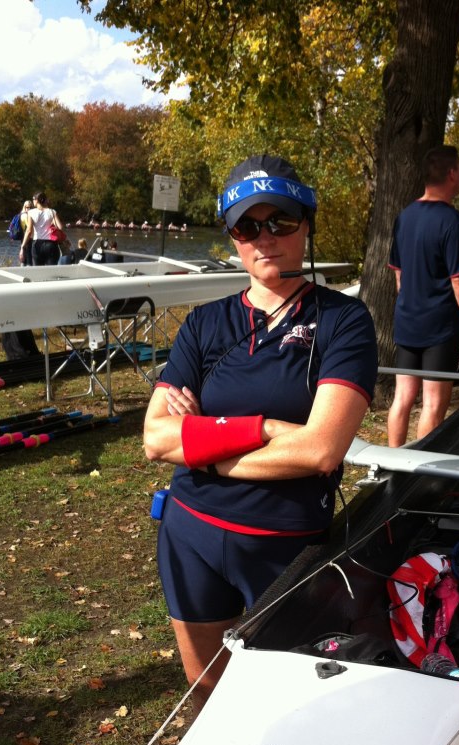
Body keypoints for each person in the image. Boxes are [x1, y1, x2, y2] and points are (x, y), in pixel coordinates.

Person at [143, 154, 377, 713]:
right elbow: (155, 437)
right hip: (191, 534)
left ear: (306, 225)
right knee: (208, 698)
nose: (264, 237)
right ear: (232, 236)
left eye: (281, 221)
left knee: (297, 704)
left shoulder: (343, 321)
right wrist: (270, 430)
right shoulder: (205, 323)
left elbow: (321, 449)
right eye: (248, 226)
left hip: (286, 544)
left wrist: (204, 446)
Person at [386, 145, 459, 446]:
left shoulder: (405, 216)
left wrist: (412, 303)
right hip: (439, 326)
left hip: (406, 321)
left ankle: (391, 467)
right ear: (452, 174)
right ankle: (419, 475)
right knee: (433, 403)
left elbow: (398, 274)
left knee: (402, 398)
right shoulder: (451, 220)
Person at [19, 192, 65, 266]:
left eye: (33, 199)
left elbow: (29, 231)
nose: (33, 201)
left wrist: (22, 247)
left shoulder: (31, 212)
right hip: (51, 244)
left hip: (37, 244)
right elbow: (60, 227)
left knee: (38, 270)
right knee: (51, 270)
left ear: (37, 200)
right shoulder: (52, 212)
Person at [19, 201, 33, 266]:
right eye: (27, 207)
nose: (29, 209)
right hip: (28, 238)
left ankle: (22, 270)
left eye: (31, 207)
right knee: (29, 259)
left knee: (23, 258)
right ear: (24, 207)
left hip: (23, 238)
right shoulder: (26, 216)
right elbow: (29, 229)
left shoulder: (21, 214)